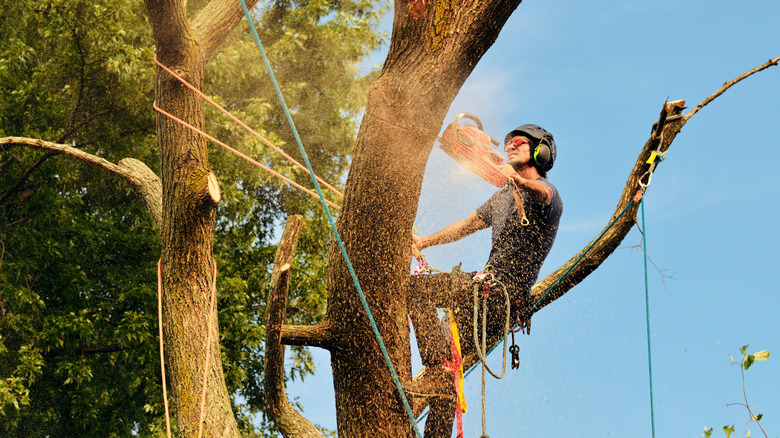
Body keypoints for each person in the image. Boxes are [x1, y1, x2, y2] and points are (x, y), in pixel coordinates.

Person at [405, 124, 563, 437]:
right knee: (447, 374)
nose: (510, 147)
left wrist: (517, 179)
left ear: (540, 151)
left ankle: (437, 366)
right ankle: (439, 390)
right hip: (480, 294)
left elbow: (543, 192)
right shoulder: (501, 197)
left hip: (499, 296)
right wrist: (424, 242)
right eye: (507, 144)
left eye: (517, 142)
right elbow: (466, 225)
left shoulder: (546, 196)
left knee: (415, 290)